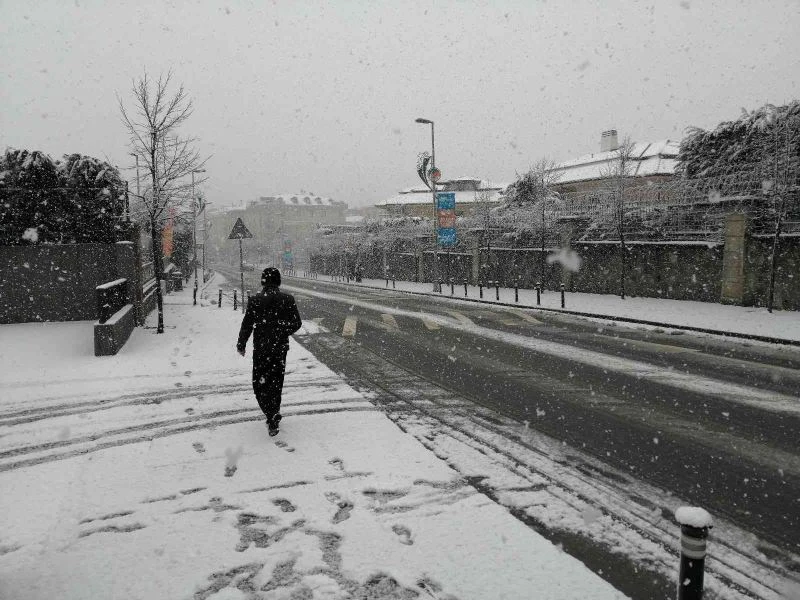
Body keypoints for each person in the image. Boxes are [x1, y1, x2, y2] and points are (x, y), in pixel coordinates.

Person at [237, 267, 302, 436]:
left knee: (259, 383)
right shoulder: (287, 299)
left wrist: (241, 344)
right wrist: (281, 330)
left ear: (263, 281)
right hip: (280, 349)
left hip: (261, 349)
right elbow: (297, 323)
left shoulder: (255, 300)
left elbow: (247, 324)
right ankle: (274, 412)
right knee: (276, 382)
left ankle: (270, 412)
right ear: (278, 281)